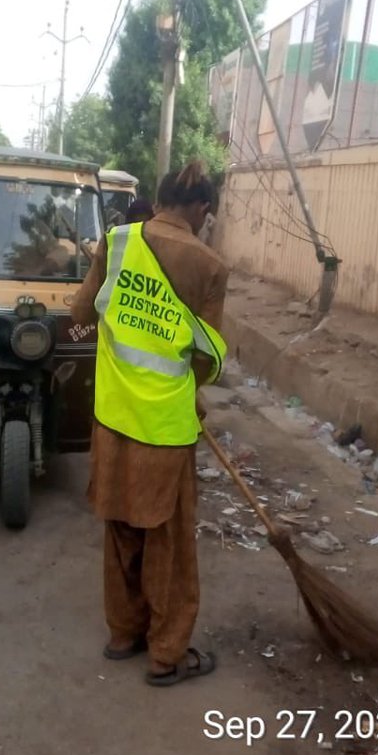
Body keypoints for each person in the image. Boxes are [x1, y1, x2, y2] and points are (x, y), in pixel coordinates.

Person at [71, 159, 228, 687]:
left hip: (112, 421)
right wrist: (189, 392)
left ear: (158, 199)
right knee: (170, 545)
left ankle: (123, 633)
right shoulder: (209, 266)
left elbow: (79, 315)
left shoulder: (115, 243)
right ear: (201, 208)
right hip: (165, 429)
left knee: (121, 529)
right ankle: (165, 654)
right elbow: (206, 359)